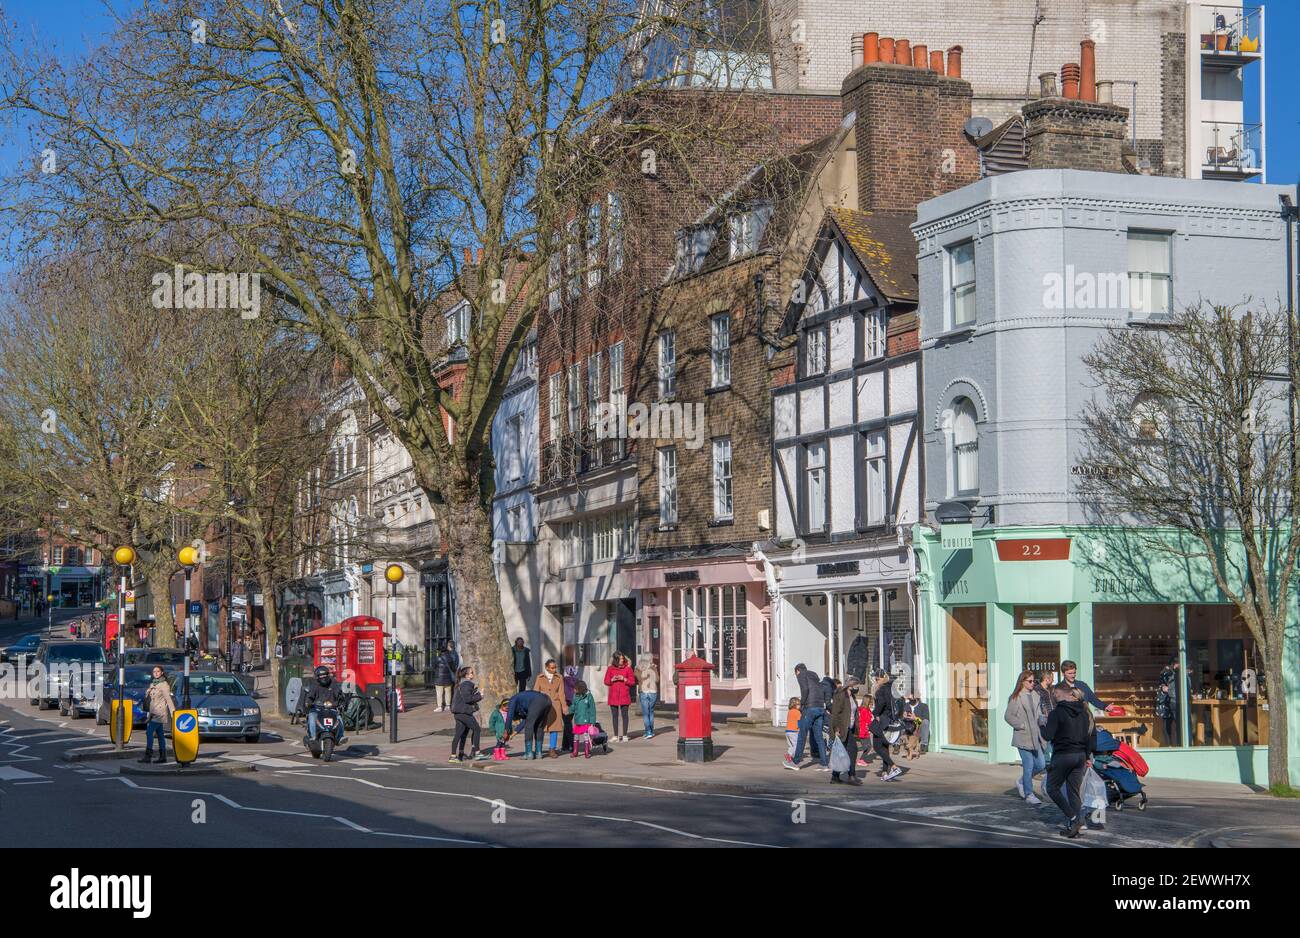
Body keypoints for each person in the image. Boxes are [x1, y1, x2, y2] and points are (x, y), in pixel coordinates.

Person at [1042, 684, 1098, 838]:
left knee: (1052, 788)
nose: (1052, 696)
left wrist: (1042, 724)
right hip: (1080, 755)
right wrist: (1087, 756)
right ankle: (1077, 824)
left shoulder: (1056, 713)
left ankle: (1074, 819)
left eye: (1053, 693)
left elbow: (1048, 735)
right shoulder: (1083, 712)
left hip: (1063, 755)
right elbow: (1088, 736)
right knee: (1073, 792)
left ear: (1057, 693)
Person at [1003, 670, 1047, 805]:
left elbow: (1038, 714)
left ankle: (1022, 781)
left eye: (1034, 681)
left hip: (1036, 736)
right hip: (1023, 737)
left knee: (1041, 765)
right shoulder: (1016, 697)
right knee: (1028, 765)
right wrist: (1021, 725)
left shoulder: (1035, 696)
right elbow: (1008, 716)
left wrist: (1043, 720)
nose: (1033, 683)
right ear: (1022, 682)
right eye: (1030, 681)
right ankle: (1029, 794)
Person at [786, 663, 828, 771]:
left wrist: (802, 705)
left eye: (796, 674)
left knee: (802, 735)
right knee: (819, 737)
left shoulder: (801, 674)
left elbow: (805, 689)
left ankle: (796, 762)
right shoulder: (814, 676)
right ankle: (824, 764)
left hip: (810, 708)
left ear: (797, 671)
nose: (796, 676)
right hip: (820, 707)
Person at [449, 666, 488, 762]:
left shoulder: (460, 684)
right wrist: (480, 696)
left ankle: (455, 755)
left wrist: (476, 693)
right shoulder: (466, 684)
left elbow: (465, 697)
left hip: (458, 712)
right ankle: (477, 753)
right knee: (477, 729)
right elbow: (468, 699)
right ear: (466, 675)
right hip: (464, 712)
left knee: (460, 733)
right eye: (471, 673)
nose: (473, 674)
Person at [828, 677, 863, 785]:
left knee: (841, 752)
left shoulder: (851, 696)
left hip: (850, 728)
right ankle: (851, 776)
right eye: (856, 686)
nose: (858, 688)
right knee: (852, 750)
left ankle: (835, 776)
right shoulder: (841, 694)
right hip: (842, 728)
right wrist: (836, 729)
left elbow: (853, 712)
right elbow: (836, 713)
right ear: (851, 685)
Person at [138, 665, 175, 764]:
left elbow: (168, 699)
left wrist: (173, 713)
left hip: (160, 713)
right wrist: (148, 691)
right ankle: (163, 756)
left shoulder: (164, 684)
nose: (156, 673)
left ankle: (148, 756)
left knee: (149, 732)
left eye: (158, 671)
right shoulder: (153, 684)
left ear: (162, 672)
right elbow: (150, 699)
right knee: (160, 735)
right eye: (154, 672)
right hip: (153, 712)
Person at [300, 665, 350, 741]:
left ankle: (340, 737)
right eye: (321, 676)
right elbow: (309, 697)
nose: (323, 678)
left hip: (331, 709)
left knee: (339, 719)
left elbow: (340, 695)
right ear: (317, 677)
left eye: (325, 675)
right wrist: (308, 703)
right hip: (317, 709)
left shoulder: (334, 684)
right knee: (312, 717)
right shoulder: (314, 685)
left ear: (328, 675)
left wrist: (342, 703)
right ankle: (313, 737)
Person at [870, 670, 902, 781]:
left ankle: (894, 767)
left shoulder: (881, 690)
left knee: (877, 746)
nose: (876, 681)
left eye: (877, 679)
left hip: (882, 721)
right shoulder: (893, 688)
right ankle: (885, 773)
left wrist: (875, 713)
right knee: (885, 747)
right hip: (891, 721)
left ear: (882, 678)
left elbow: (881, 704)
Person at [502, 689, 552, 760]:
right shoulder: (523, 704)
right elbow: (525, 721)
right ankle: (538, 753)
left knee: (529, 727)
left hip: (537, 701)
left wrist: (506, 730)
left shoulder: (512, 701)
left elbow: (509, 716)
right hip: (547, 701)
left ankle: (529, 753)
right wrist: (513, 733)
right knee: (539, 727)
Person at [533, 658, 568, 758]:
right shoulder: (540, 677)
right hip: (542, 705)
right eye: (552, 668)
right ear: (547, 668)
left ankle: (552, 750)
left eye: (555, 667)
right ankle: (538, 749)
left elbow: (561, 693)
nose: (554, 669)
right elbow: (535, 691)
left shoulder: (559, 677)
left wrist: (564, 706)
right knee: (541, 727)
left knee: (555, 728)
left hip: (555, 705)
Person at [603, 651, 636, 742]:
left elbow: (632, 682)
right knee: (614, 716)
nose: (622, 660)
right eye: (620, 659)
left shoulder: (628, 669)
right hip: (613, 696)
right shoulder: (610, 669)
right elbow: (606, 681)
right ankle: (615, 735)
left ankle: (625, 735)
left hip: (624, 695)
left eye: (623, 658)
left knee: (625, 715)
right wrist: (612, 679)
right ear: (616, 660)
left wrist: (624, 679)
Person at [1156, 656, 1181, 746]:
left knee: (1170, 723)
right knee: (1167, 724)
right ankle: (1169, 745)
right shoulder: (1167, 672)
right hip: (1166, 701)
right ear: (1176, 663)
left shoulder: (1172, 671)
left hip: (1169, 700)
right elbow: (1166, 687)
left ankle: (1171, 744)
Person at [570, 680, 597, 758]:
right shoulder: (575, 696)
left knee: (586, 736)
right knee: (576, 736)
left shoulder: (589, 696)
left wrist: (592, 721)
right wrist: (568, 710)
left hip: (586, 720)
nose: (574, 690)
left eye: (575, 688)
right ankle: (575, 751)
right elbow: (573, 706)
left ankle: (586, 751)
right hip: (578, 720)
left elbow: (592, 709)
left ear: (580, 689)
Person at [634, 655, 659, 739]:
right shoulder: (653, 667)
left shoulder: (638, 668)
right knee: (651, 712)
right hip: (653, 691)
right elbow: (657, 680)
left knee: (645, 713)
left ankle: (648, 732)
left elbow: (638, 679)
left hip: (644, 691)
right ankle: (650, 731)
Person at [432, 641, 459, 712]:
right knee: (448, 692)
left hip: (439, 678)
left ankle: (440, 707)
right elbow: (453, 668)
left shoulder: (437, 658)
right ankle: (448, 706)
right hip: (448, 678)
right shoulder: (450, 658)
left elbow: (433, 666)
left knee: (439, 693)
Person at [784, 697, 802, 765]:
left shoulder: (789, 712)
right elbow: (799, 722)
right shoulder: (798, 712)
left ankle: (789, 756)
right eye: (798, 704)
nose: (800, 706)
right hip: (794, 731)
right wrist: (800, 729)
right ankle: (789, 755)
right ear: (795, 705)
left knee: (791, 745)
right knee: (796, 745)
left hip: (787, 731)